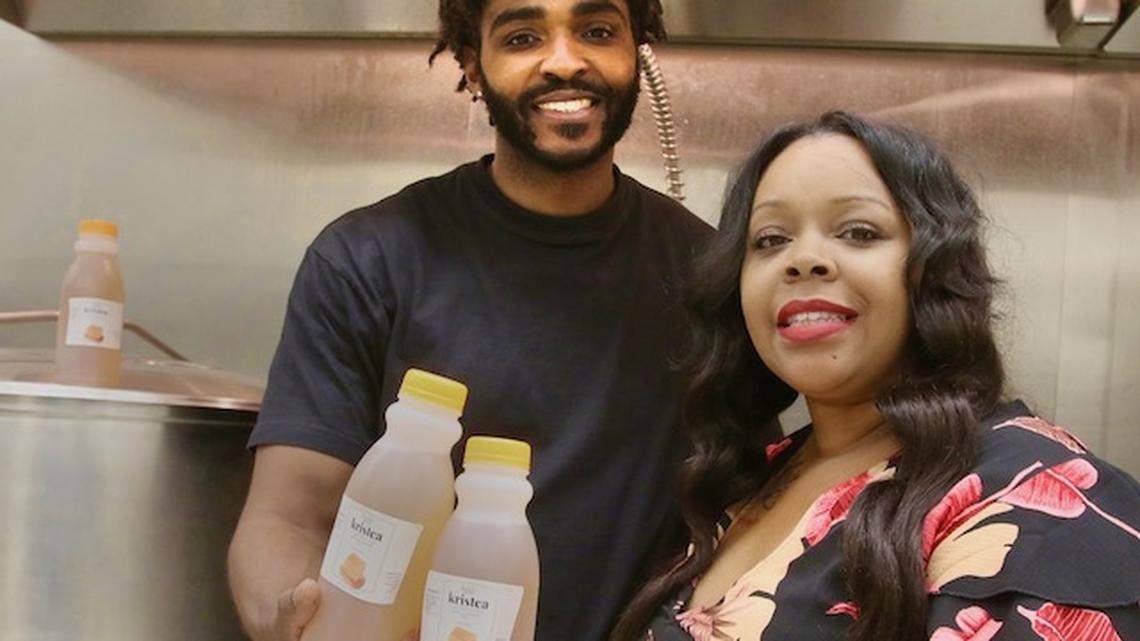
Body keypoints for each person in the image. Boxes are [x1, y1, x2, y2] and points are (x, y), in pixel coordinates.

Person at [226, 2, 718, 641]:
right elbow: (290, 515)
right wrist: (289, 613)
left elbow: (758, 509)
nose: (565, 60)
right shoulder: (367, 259)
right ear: (473, 64)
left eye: (598, 31)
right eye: (522, 37)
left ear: (636, 51)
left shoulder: (709, 275)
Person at [611, 111, 1140, 641]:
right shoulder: (754, 480)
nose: (804, 259)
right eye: (771, 240)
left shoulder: (1036, 494)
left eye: (859, 232)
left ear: (933, 270)